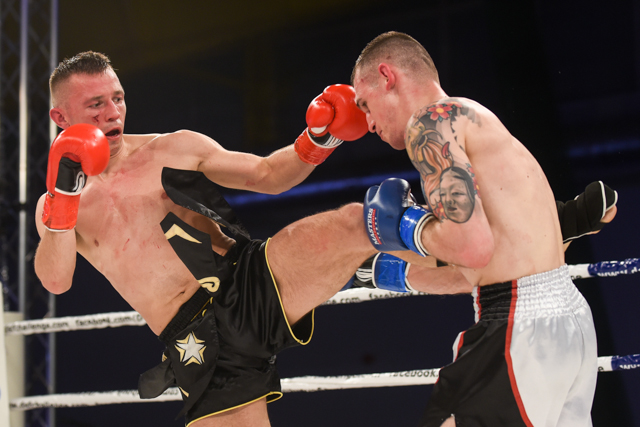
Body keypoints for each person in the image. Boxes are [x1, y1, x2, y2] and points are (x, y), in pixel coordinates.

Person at [34, 51, 378, 427]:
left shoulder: (172, 148)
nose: (113, 113)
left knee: (357, 222)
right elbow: (55, 280)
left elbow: (268, 175)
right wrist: (63, 198)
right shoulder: (55, 207)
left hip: (246, 282)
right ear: (61, 117)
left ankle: (411, 260)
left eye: (118, 98)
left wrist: (319, 138)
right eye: (96, 104)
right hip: (195, 340)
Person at [350, 31, 611, 426]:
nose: (368, 123)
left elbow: (470, 248)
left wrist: (406, 223)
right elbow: (478, 268)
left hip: (519, 328)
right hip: (565, 321)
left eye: (365, 104)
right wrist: (396, 272)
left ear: (387, 76)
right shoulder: (473, 118)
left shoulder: (429, 124)